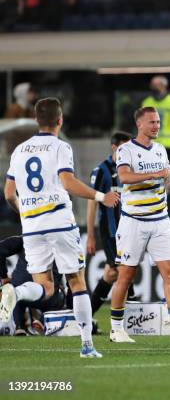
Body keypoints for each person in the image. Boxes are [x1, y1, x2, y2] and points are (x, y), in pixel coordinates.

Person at [1, 97, 120, 357]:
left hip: (32, 225)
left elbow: (9, 192)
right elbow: (68, 183)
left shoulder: (20, 150)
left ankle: (16, 291)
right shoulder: (60, 147)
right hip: (58, 220)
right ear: (60, 119)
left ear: (36, 119)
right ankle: (87, 345)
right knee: (76, 282)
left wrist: (26, 213)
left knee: (45, 286)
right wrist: (101, 196)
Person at [109, 106, 170, 344]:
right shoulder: (126, 150)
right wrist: (156, 174)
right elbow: (125, 178)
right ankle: (116, 328)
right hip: (134, 222)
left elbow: (165, 186)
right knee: (126, 275)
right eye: (152, 122)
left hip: (160, 220)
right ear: (139, 124)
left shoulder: (161, 150)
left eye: (158, 122)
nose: (157, 126)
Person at [86, 131, 135, 316]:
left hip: (129, 230)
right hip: (111, 232)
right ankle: (136, 317)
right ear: (114, 148)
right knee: (125, 271)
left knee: (111, 274)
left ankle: (86, 317)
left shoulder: (130, 170)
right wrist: (91, 235)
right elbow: (91, 202)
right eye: (124, 148)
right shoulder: (102, 171)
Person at [0, 235, 65, 336]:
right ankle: (43, 320)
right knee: (61, 294)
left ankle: (18, 325)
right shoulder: (61, 243)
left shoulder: (25, 239)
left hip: (20, 295)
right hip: (48, 298)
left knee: (14, 290)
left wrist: (3, 276)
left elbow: (1, 249)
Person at [141, 76, 170, 162]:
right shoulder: (146, 102)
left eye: (156, 85)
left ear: (164, 86)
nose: (153, 87)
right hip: (152, 143)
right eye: (152, 85)